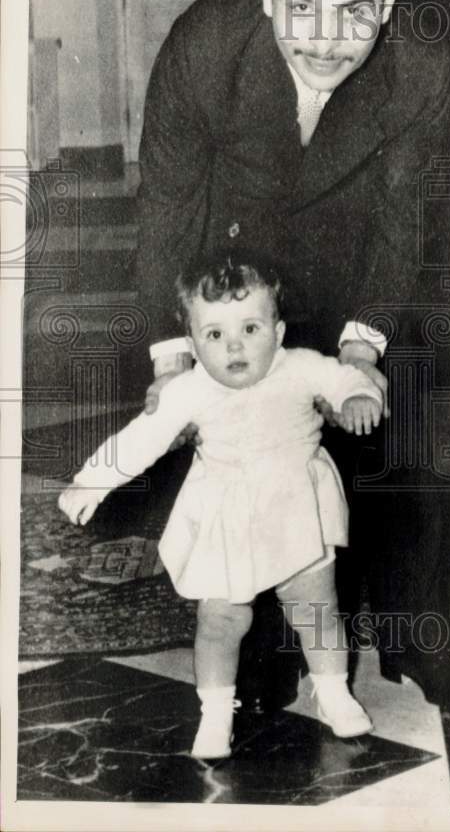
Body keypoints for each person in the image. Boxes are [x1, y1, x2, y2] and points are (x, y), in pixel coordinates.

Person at [136, 0, 450, 711]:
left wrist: (361, 354)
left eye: (355, 12)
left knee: (402, 429)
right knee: (244, 462)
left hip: (358, 261)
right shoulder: (203, 47)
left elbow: (402, 226)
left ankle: (413, 636)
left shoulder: (422, 72)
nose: (326, 41)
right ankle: (266, 649)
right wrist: (176, 359)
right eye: (300, 7)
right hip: (237, 281)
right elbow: (167, 212)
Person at [58, 247, 383, 759]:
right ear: (193, 344)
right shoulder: (189, 389)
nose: (234, 347)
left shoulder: (299, 368)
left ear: (277, 333)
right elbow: (142, 438)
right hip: (226, 518)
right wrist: (90, 482)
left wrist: (360, 396)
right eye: (215, 335)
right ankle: (213, 713)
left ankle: (334, 693)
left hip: (299, 510)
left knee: (316, 611)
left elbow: (346, 379)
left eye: (250, 330)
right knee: (220, 622)